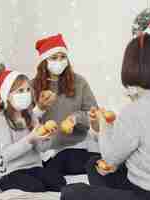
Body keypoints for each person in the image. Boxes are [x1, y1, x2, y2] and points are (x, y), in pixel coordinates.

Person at [61, 17, 150, 200]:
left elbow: (110, 158)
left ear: (131, 66)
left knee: (72, 192)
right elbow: (146, 140)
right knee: (94, 165)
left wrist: (103, 123)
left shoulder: (134, 110)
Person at [32, 33, 99, 175]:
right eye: (54, 58)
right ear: (44, 61)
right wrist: (40, 108)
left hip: (77, 147)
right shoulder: (33, 86)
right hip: (47, 152)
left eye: (63, 57)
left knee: (97, 164)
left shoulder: (79, 82)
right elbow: (25, 125)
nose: (59, 61)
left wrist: (76, 118)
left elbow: (94, 114)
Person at [0, 70, 66, 192]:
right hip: (10, 172)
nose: (25, 94)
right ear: (7, 96)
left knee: (60, 182)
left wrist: (46, 137)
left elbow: (40, 148)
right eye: (20, 91)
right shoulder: (0, 120)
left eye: (27, 90)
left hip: (33, 167)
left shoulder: (31, 115)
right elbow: (5, 155)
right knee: (36, 187)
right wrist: (30, 139)